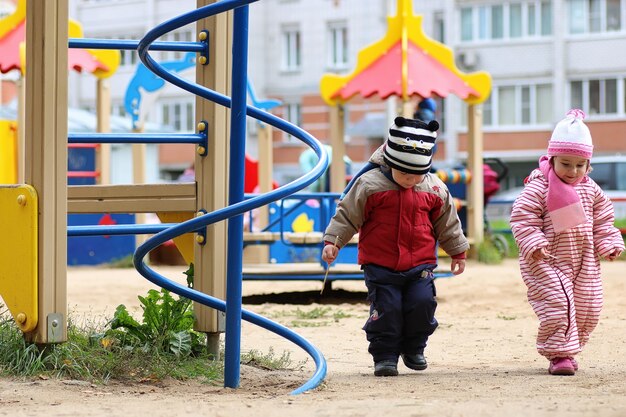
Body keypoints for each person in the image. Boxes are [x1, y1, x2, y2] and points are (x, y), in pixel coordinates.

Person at [321, 116, 469, 377]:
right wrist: (333, 241)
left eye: (417, 174)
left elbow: (448, 222)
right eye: (404, 173)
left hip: (420, 264)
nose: (411, 179)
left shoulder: (434, 188)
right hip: (380, 265)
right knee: (386, 310)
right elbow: (347, 214)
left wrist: (457, 250)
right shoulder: (369, 185)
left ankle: (414, 347)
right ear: (389, 162)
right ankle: (385, 355)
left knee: (422, 304)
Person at [510, 109, 624, 376]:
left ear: (588, 164)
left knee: (589, 306)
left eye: (580, 165)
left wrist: (608, 242)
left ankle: (569, 349)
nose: (573, 171)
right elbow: (522, 218)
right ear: (552, 159)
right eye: (565, 164)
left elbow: (603, 220)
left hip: (583, 259)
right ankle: (558, 354)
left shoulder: (591, 189)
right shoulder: (539, 187)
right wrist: (534, 242)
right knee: (558, 304)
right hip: (546, 260)